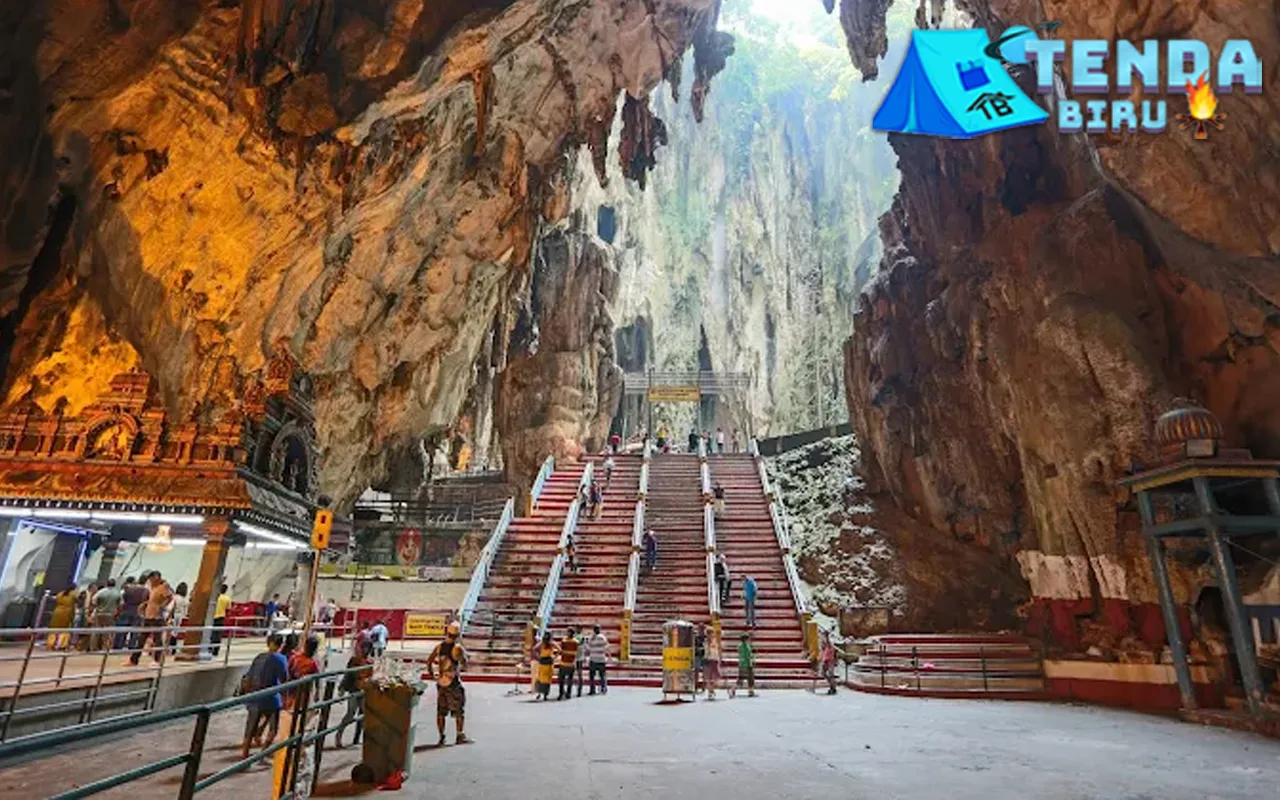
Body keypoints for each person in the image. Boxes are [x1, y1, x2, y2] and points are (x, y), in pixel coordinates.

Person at [241, 633, 289, 757]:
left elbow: (249, 677)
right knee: (273, 728)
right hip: (272, 697)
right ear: (281, 645)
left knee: (250, 727)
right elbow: (284, 679)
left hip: (255, 696)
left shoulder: (259, 657)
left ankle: (245, 754)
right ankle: (264, 752)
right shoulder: (281, 659)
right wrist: (286, 696)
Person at [425, 621, 470, 744]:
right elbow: (465, 665)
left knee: (441, 711)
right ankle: (459, 735)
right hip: (453, 682)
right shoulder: (457, 648)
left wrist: (432, 675)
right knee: (459, 710)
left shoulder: (439, 647)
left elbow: (429, 661)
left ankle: (442, 736)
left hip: (441, 682)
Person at [131, 572, 172, 665]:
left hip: (156, 617)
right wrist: (145, 604)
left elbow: (169, 598)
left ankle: (157, 660)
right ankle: (133, 660)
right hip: (148, 616)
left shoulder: (163, 587)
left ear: (156, 578)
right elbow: (153, 600)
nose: (150, 581)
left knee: (157, 639)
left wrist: (161, 607)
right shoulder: (154, 587)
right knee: (141, 638)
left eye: (151, 579)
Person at [334, 649, 369, 748]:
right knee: (350, 714)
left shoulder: (369, 662)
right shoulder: (354, 660)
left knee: (363, 715)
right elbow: (348, 675)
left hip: (364, 690)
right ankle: (339, 735)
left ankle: (357, 738)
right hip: (354, 690)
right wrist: (342, 688)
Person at [286, 635, 321, 710]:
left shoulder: (313, 662)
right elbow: (288, 671)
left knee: (297, 708)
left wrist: (317, 692)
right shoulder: (296, 657)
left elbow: (317, 678)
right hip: (295, 688)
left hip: (302, 690)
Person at [117, 576, 147, 652]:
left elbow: (123, 600)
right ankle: (131, 647)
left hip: (127, 610)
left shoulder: (129, 589)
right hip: (138, 612)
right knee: (135, 631)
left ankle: (118, 646)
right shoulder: (146, 591)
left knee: (123, 629)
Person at [90, 579, 122, 651]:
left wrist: (99, 607)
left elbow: (93, 601)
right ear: (114, 584)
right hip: (110, 615)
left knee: (96, 631)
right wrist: (117, 613)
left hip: (99, 614)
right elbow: (120, 605)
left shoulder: (101, 592)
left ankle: (93, 648)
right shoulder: (117, 593)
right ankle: (105, 648)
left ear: (106, 584)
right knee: (108, 633)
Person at [47, 585, 77, 650]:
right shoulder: (73, 593)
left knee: (54, 629)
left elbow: (56, 599)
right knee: (64, 629)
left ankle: (51, 644)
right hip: (67, 612)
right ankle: (61, 644)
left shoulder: (60, 593)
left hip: (57, 611)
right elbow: (78, 599)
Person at [533, 631, 558, 700]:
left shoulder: (543, 643)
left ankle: (540, 693)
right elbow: (560, 650)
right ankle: (545, 694)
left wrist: (538, 656)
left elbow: (534, 649)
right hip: (548, 660)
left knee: (541, 678)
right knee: (546, 678)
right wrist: (554, 657)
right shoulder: (551, 643)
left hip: (544, 660)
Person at [166, 582, 189, 656]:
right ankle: (173, 649)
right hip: (179, 617)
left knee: (169, 632)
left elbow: (169, 608)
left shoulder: (174, 597)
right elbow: (186, 612)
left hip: (172, 616)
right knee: (175, 633)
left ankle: (167, 649)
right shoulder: (184, 600)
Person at [557, 627, 579, 700]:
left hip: (564, 663)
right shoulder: (576, 641)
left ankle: (561, 693)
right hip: (570, 663)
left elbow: (561, 650)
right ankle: (568, 693)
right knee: (569, 680)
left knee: (561, 680)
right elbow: (576, 653)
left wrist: (565, 653)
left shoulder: (564, 641)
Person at [587, 625, 609, 695]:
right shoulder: (603, 638)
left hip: (593, 658)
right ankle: (603, 689)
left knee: (592, 676)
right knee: (602, 675)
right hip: (601, 659)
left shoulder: (591, 638)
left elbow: (588, 647)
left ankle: (592, 690)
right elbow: (606, 647)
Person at [212, 584, 232, 655]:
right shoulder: (227, 598)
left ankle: (210, 648)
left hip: (213, 616)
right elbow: (228, 609)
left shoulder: (216, 597)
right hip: (221, 617)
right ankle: (216, 650)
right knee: (218, 634)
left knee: (211, 633)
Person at [736, 633, 756, 698]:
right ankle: (751, 691)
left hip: (741, 664)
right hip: (747, 664)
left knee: (740, 678)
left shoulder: (739, 646)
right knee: (750, 678)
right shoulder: (746, 646)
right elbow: (747, 655)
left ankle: (733, 689)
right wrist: (752, 660)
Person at [704, 628, 723, 699]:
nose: (711, 635)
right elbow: (707, 651)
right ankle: (710, 691)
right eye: (709, 633)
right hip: (708, 660)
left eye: (711, 633)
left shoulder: (715, 641)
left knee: (717, 676)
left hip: (715, 660)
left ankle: (712, 689)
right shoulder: (705, 642)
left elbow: (717, 650)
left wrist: (719, 658)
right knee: (709, 677)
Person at [819, 630, 838, 695]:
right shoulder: (825, 648)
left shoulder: (830, 645)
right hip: (826, 661)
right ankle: (832, 686)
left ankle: (833, 688)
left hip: (830, 661)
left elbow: (828, 642)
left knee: (830, 675)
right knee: (823, 673)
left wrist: (826, 636)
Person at [693, 624, 706, 694]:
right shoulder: (696, 637)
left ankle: (704, 686)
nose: (701, 630)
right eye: (700, 629)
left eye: (702, 629)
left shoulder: (706, 637)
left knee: (705, 671)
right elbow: (694, 645)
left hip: (705, 655)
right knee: (696, 671)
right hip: (697, 655)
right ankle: (696, 685)